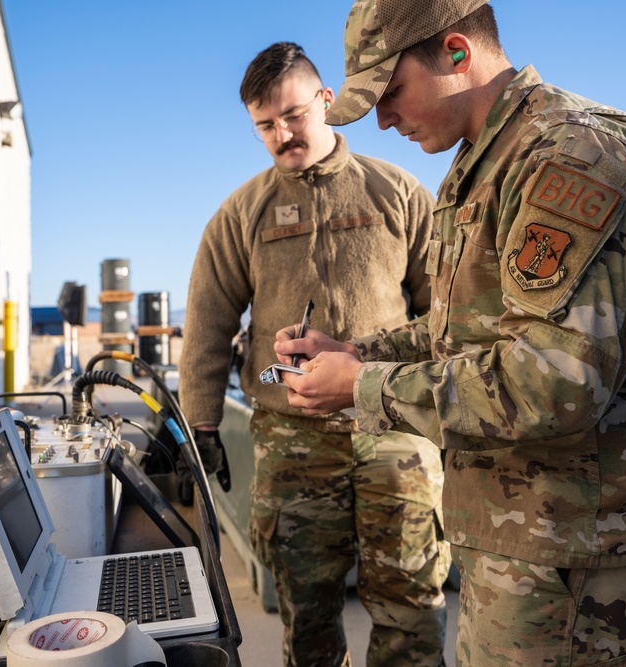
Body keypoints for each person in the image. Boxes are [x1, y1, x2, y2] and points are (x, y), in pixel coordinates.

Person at [275, 3, 626, 665]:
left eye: (390, 92)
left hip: (579, 559)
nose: (384, 120)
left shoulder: (568, 155)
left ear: (456, 52)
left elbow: (554, 382)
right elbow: (462, 332)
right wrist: (355, 353)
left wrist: (363, 386)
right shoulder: (488, 157)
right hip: (524, 541)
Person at [178, 42, 450, 667]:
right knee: (306, 608)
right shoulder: (243, 213)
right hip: (291, 440)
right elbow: (208, 323)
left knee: (411, 601)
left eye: (293, 116)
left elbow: (448, 310)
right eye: (265, 125)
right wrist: (202, 422)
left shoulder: (397, 193)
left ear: (326, 101)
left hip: (394, 427)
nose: (281, 135)